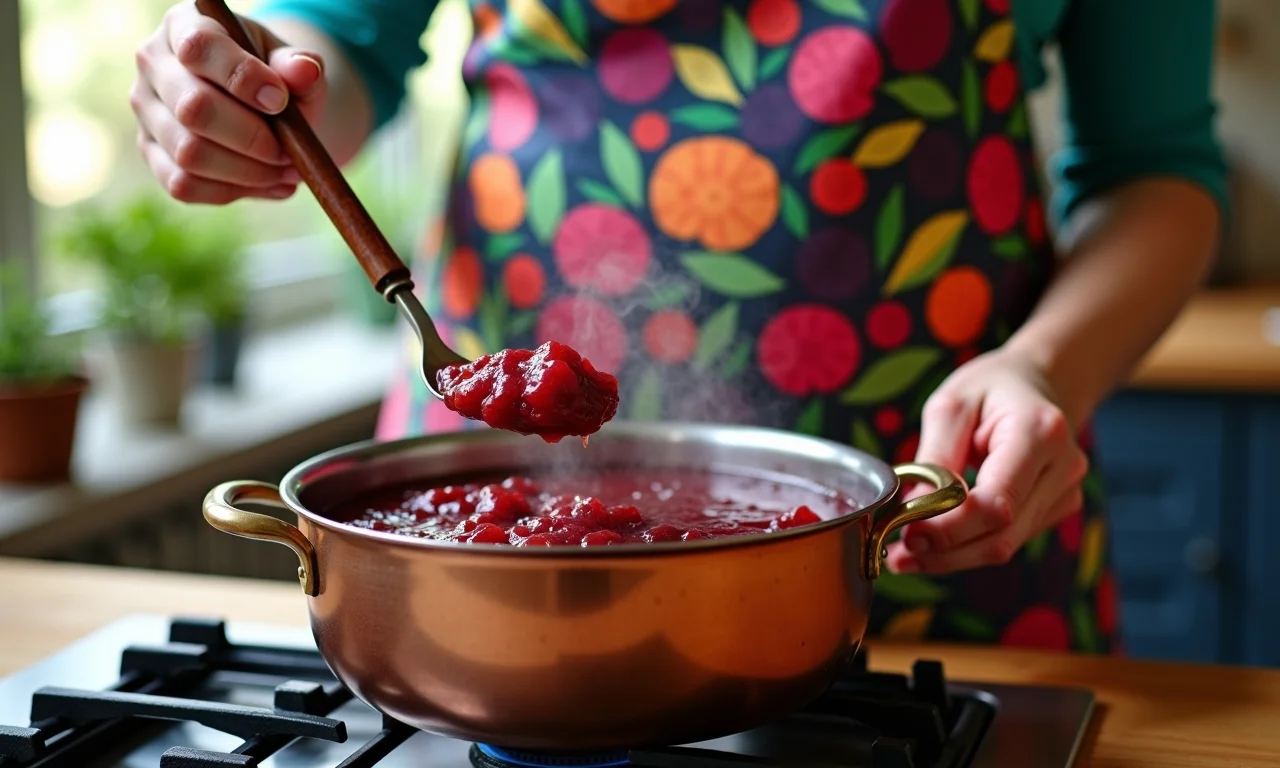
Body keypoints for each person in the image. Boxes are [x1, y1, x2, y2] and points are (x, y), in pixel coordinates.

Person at [131, 0, 1225, 651]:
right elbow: (339, 49)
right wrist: (247, 100)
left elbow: (1154, 170)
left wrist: (1041, 367)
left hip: (930, 517)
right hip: (484, 531)